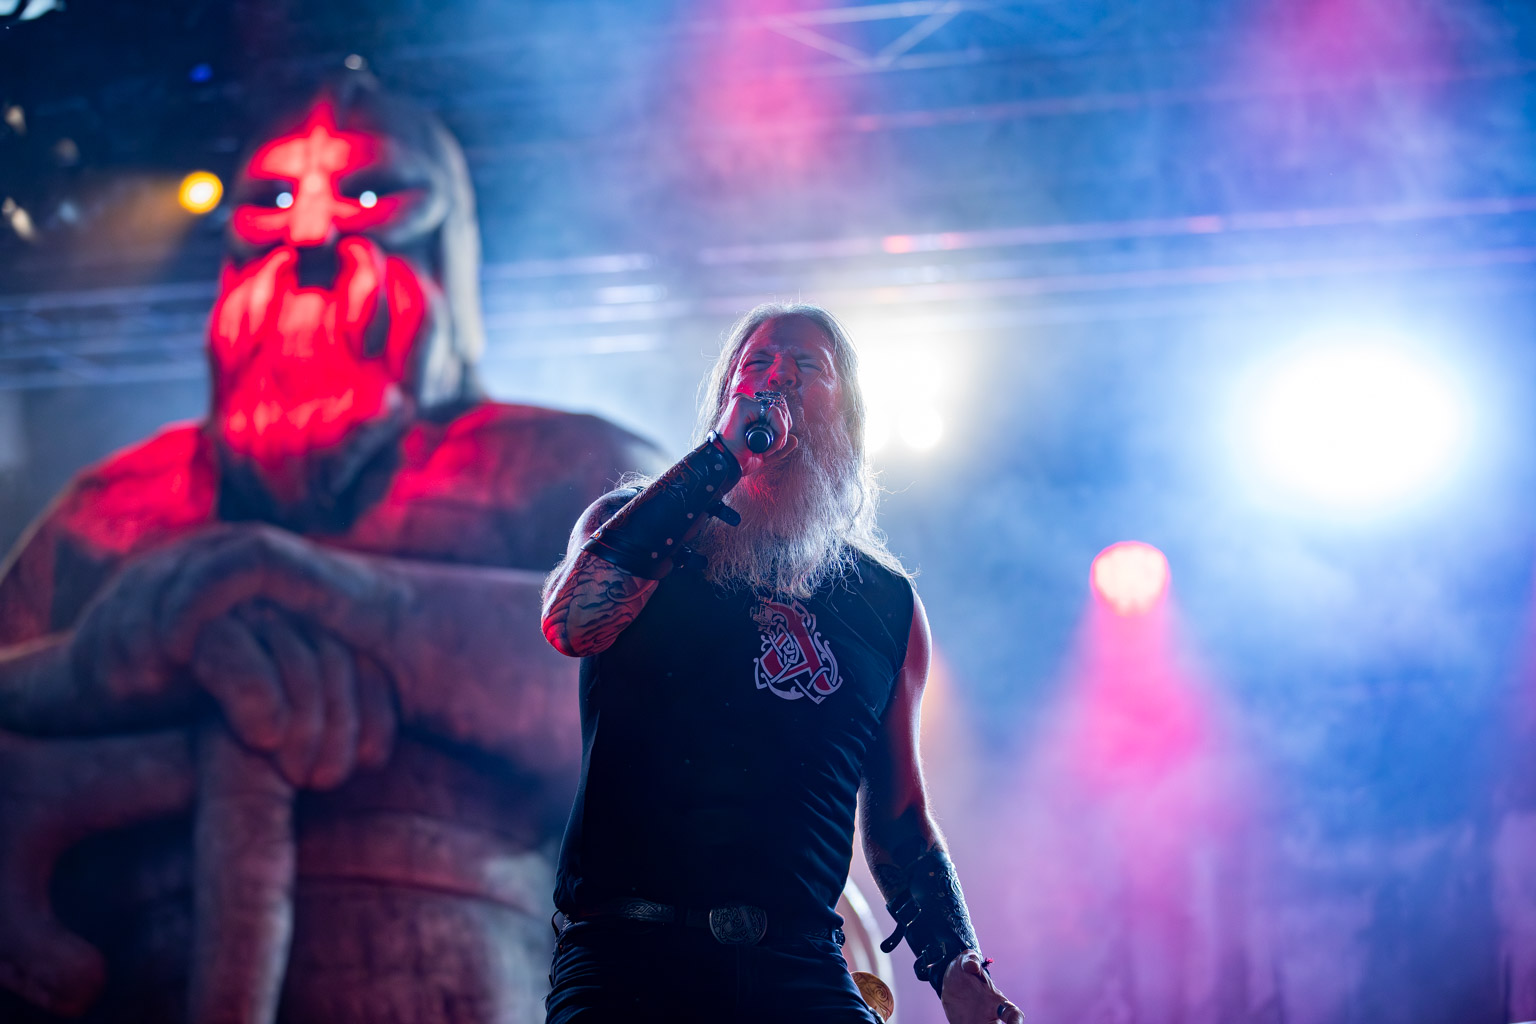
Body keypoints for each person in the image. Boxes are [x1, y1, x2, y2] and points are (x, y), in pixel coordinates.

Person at [0, 71, 660, 1023]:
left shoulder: (571, 471)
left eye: (370, 194)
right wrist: (81, 676)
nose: (309, 237)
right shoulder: (107, 508)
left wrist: (357, 611)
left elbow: (707, 707)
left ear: (445, 240)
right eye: (271, 202)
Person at [540, 303, 1024, 1023]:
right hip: (629, 958)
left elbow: (899, 818)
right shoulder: (641, 525)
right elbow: (572, 623)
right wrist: (719, 459)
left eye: (806, 367)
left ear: (848, 419)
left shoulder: (885, 603)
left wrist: (956, 960)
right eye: (757, 365)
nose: (778, 380)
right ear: (726, 403)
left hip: (801, 967)